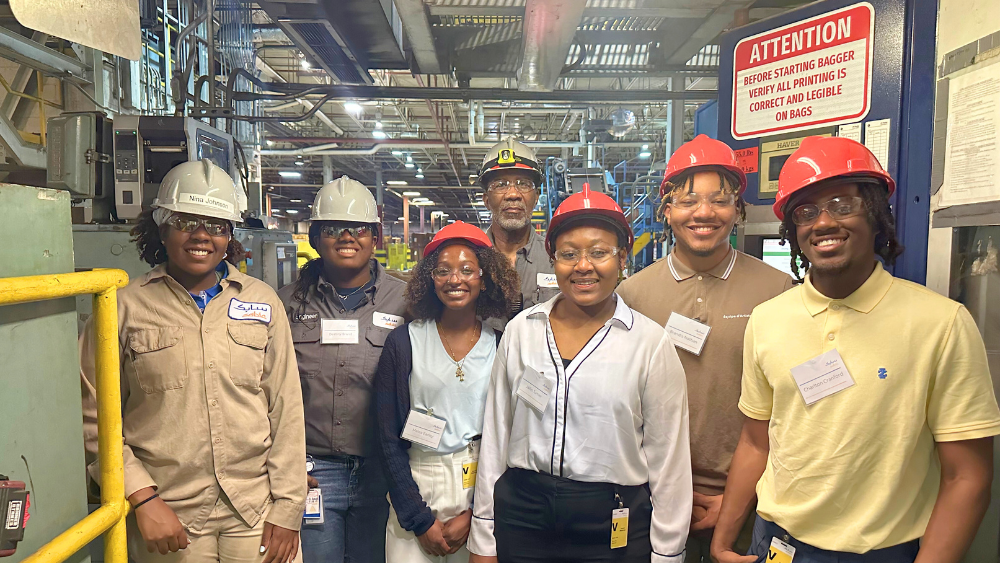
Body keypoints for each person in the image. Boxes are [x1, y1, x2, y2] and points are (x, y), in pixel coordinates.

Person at [710, 136, 1000, 563]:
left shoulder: (942, 324)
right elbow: (756, 444)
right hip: (774, 544)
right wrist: (722, 540)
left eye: (843, 204)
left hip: (881, 552)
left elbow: (967, 477)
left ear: (877, 214)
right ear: (793, 231)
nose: (823, 222)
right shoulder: (768, 319)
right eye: (805, 212)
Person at [80, 160, 306, 563]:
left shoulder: (261, 300)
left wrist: (289, 508)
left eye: (217, 225)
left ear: (230, 236)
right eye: (186, 221)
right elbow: (93, 415)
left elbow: (285, 408)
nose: (202, 236)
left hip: (255, 509)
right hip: (167, 510)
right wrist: (142, 496)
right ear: (162, 228)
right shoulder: (123, 307)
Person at [468, 184, 692, 563]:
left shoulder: (649, 343)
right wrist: (484, 537)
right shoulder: (523, 331)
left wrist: (667, 554)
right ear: (553, 260)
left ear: (623, 258)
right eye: (569, 254)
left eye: (600, 253)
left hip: (611, 520)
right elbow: (496, 437)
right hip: (523, 516)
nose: (583, 266)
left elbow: (668, 458)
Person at [616, 135, 792, 562]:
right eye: (688, 200)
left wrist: (738, 499)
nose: (704, 213)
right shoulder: (633, 294)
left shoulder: (777, 291)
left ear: (738, 210)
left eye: (720, 200)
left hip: (748, 498)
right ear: (667, 211)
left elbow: (788, 410)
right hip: (650, 493)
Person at [278, 176, 408, 563]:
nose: (347, 237)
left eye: (359, 229)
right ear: (316, 238)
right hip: (312, 472)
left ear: (375, 238)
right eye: (334, 228)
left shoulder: (405, 301)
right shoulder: (284, 303)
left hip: (381, 471)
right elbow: (264, 392)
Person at [373, 221, 520, 563]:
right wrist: (419, 519)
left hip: (478, 486)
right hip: (416, 485)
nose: (455, 279)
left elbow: (509, 436)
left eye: (468, 269)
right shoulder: (404, 342)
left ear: (486, 279)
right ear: (429, 279)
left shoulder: (502, 345)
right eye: (443, 270)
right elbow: (387, 437)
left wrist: (476, 514)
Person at [478, 137, 557, 330]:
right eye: (501, 184)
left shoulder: (556, 257)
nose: (513, 194)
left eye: (523, 183)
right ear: (486, 200)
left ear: (536, 197)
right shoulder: (470, 257)